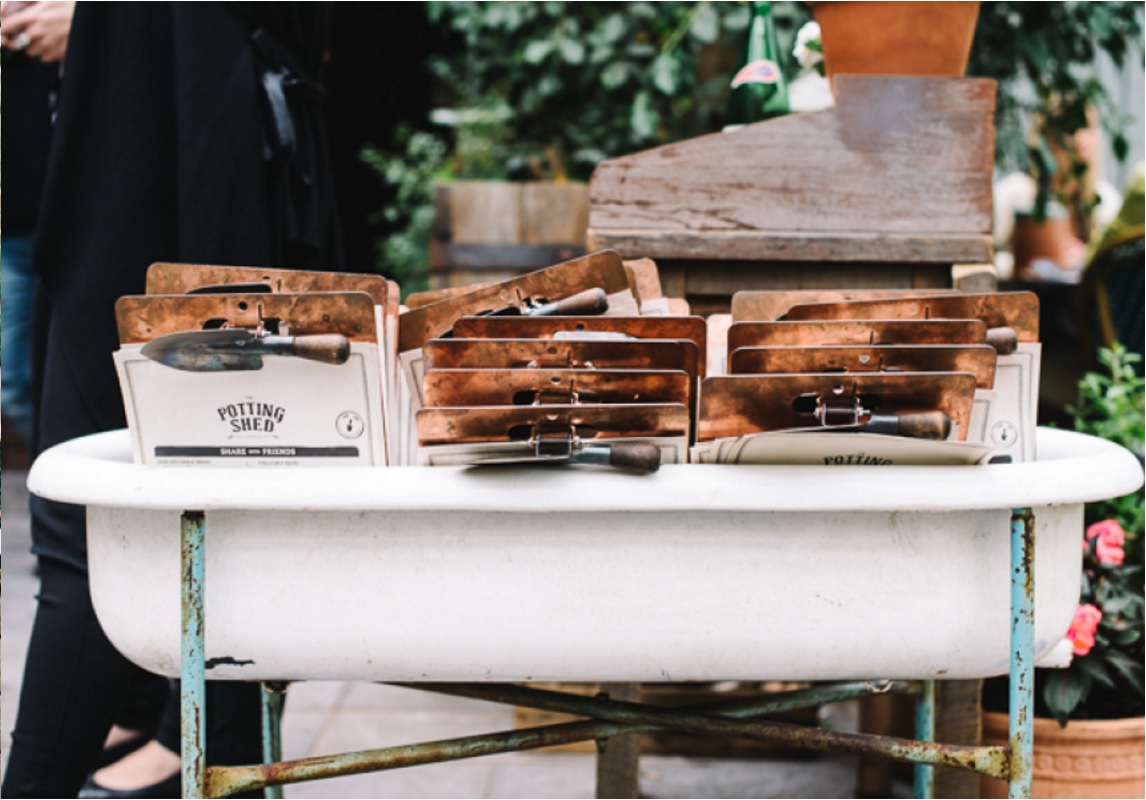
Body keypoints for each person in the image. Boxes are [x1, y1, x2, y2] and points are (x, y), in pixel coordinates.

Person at [1, 4, 344, 798]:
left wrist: (87, 22)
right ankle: (183, 743)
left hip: (159, 188)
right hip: (203, 179)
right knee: (205, 522)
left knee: (88, 536)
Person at [0, 0, 74, 456]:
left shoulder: (70, 38)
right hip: (14, 233)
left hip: (70, 222)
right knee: (13, 378)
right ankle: (53, 475)